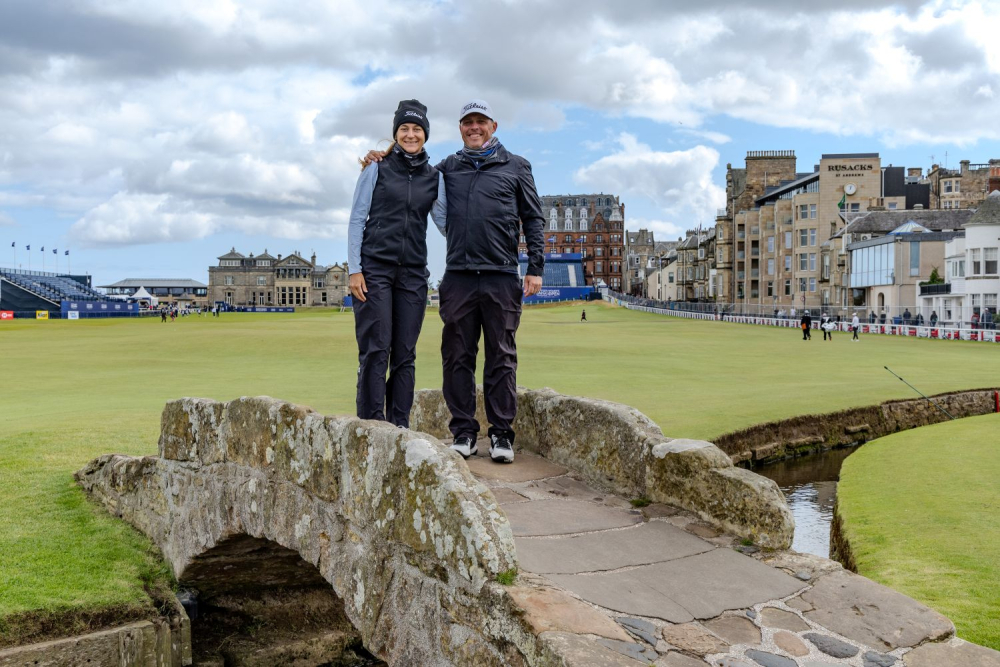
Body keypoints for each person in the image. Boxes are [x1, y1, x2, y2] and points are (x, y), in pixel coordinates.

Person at [367, 99, 544, 464]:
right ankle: (463, 431)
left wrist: (536, 267)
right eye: (467, 123)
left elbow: (533, 218)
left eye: (480, 121)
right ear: (460, 128)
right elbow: (410, 168)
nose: (474, 128)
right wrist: (380, 156)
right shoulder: (447, 168)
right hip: (459, 276)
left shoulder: (517, 167)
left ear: (493, 125)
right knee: (457, 358)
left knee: (502, 357)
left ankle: (501, 435)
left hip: (501, 275)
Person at [349, 99, 444, 429]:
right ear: (396, 132)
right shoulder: (377, 168)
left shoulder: (434, 177)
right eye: (404, 128)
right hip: (374, 269)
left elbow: (446, 223)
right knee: (377, 349)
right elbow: (356, 219)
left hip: (414, 273)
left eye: (417, 129)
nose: (410, 134)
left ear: (425, 134)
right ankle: (372, 428)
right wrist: (354, 269)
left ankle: (400, 428)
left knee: (405, 355)